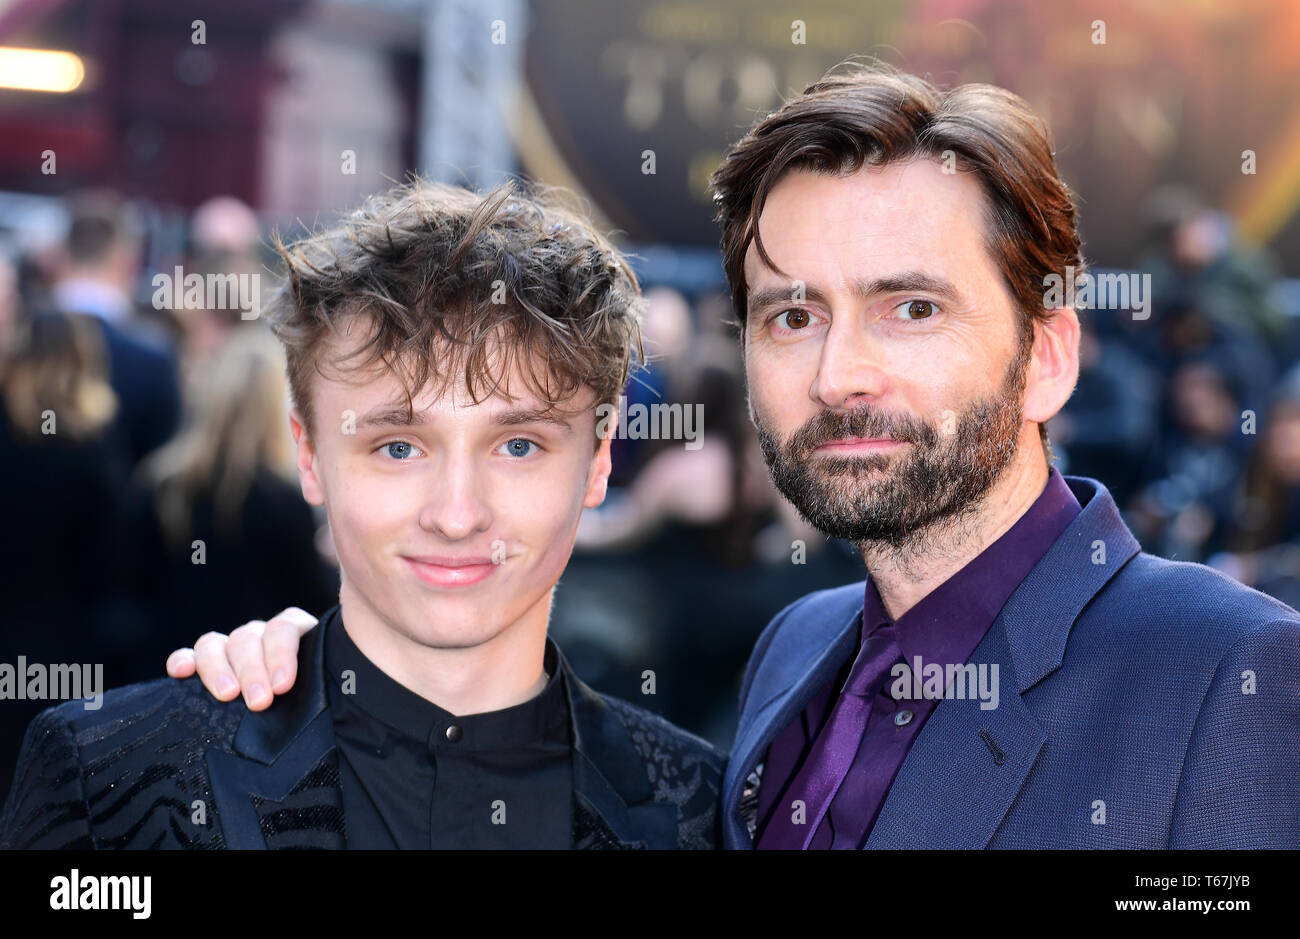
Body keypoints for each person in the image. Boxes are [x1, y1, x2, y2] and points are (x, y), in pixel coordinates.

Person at [181, 64, 1300, 850]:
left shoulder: (1226, 679)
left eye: (909, 308)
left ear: (1047, 358)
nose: (839, 374)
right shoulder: (796, 650)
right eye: (790, 316)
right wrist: (327, 674)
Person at [0, 180, 723, 850]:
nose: (456, 513)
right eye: (400, 446)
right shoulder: (106, 779)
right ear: (309, 457)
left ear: (598, 462)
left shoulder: (705, 810)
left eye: (519, 443)